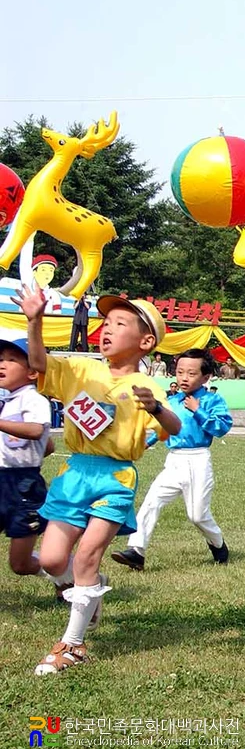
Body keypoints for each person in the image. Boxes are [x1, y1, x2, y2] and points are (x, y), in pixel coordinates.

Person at [15, 288, 180, 675]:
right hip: (75, 473)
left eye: (119, 324)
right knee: (56, 561)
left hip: (114, 477)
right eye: (105, 323)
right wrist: (34, 319)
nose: (106, 329)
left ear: (145, 342)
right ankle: (90, 590)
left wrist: (154, 407)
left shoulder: (147, 386)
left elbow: (174, 425)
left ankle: (72, 645)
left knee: (88, 554)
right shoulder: (79, 369)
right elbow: (37, 362)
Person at [111, 349, 234, 572]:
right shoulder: (171, 401)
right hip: (174, 460)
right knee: (151, 501)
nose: (184, 378)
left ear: (206, 377)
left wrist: (199, 411)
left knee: (197, 515)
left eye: (191, 373)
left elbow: (222, 428)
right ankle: (136, 551)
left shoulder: (212, 400)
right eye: (180, 372)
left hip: (198, 460)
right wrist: (145, 443)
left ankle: (218, 544)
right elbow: (162, 427)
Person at [0, 334, 58, 589]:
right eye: (0, 359)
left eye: (12, 360)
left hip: (24, 486)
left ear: (33, 372)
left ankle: (67, 573)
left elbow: (36, 430)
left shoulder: (34, 399)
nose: (2, 364)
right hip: (3, 480)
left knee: (20, 564)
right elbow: (48, 444)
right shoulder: (5, 400)